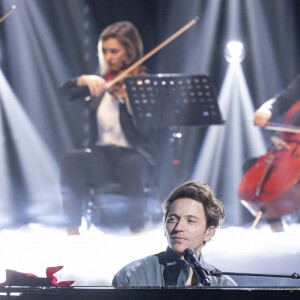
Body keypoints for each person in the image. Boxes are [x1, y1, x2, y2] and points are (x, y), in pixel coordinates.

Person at [59, 21, 157, 234]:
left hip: (134, 155)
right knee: (71, 160)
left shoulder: (141, 84)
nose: (109, 56)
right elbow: (64, 93)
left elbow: (149, 129)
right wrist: (82, 80)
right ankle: (72, 230)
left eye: (114, 51)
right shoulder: (101, 83)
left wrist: (129, 101)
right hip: (103, 156)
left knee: (133, 165)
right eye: (105, 51)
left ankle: (137, 230)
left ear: (128, 53)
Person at [112, 181, 237, 287]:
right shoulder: (131, 277)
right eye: (172, 219)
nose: (179, 227)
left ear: (209, 233)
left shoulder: (224, 285)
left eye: (191, 221)